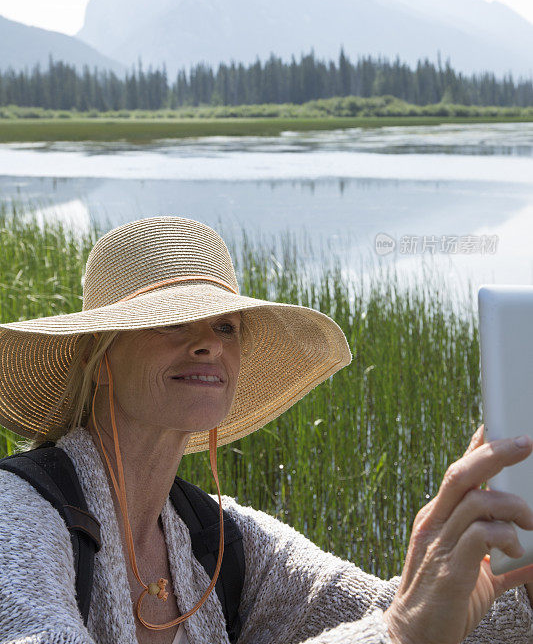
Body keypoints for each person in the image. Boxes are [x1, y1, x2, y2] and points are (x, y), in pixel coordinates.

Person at [0, 215, 533, 644]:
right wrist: (396, 634)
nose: (210, 343)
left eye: (225, 326)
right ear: (101, 353)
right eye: (172, 322)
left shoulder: (223, 539)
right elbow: (401, 624)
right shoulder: (17, 514)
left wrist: (518, 581)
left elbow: (403, 609)